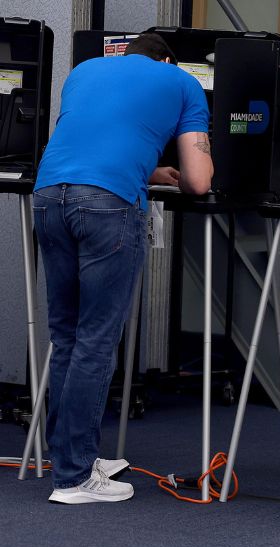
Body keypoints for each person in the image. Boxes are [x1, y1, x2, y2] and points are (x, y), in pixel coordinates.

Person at [34, 33, 213, 504]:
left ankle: (72, 457)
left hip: (50, 196)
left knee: (68, 336)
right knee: (96, 338)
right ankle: (74, 480)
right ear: (169, 59)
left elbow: (91, 138)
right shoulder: (182, 80)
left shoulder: (85, 70)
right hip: (109, 206)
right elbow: (197, 181)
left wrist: (148, 169)